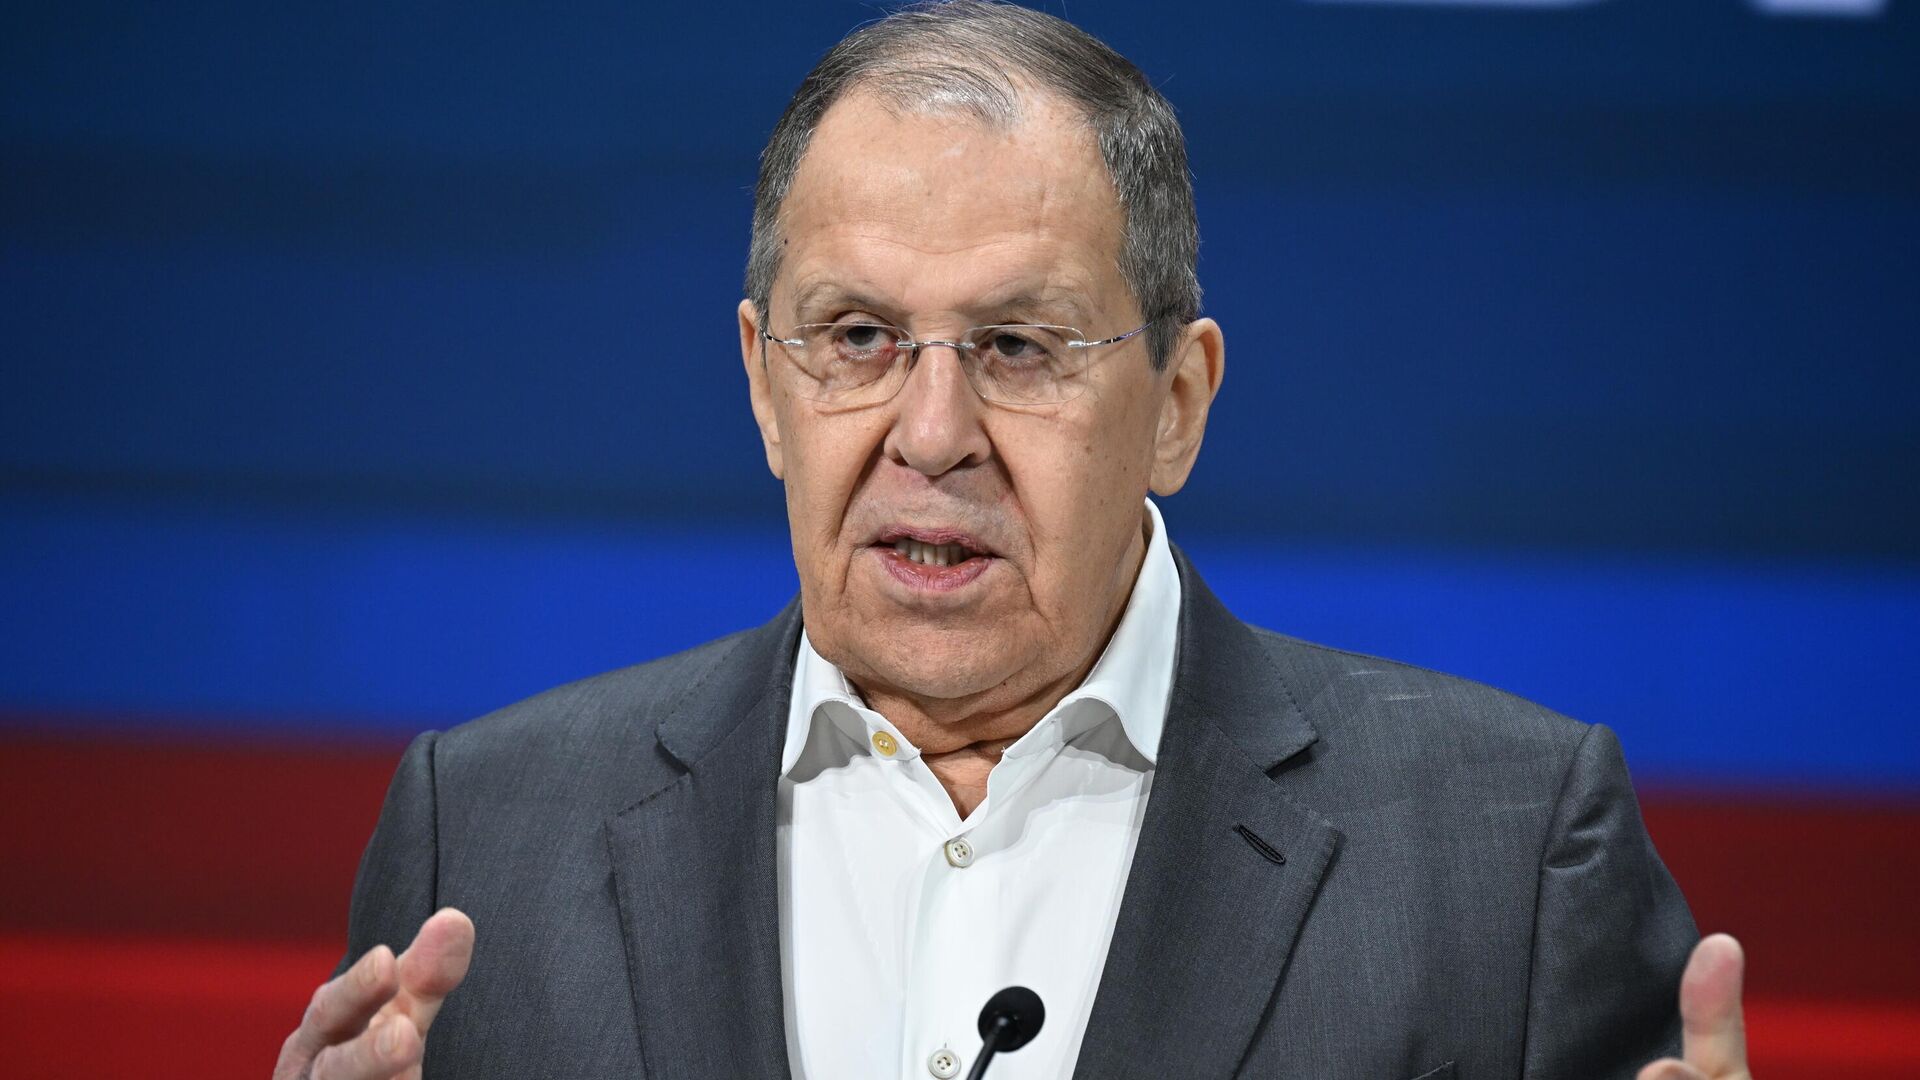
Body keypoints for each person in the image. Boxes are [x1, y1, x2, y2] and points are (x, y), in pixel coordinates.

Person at [274, 3, 1753, 1078]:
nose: (932, 433)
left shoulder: (1507, 857)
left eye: (1020, 346)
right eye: (857, 337)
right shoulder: (486, 838)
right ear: (764, 385)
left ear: (1177, 405)